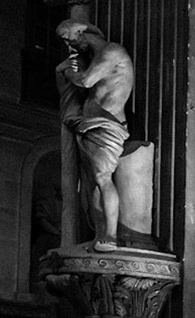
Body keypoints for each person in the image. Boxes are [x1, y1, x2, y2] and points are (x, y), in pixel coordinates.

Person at [56, 20, 153, 252]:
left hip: (107, 124)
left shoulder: (112, 51)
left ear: (82, 33)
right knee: (92, 184)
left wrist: (69, 71)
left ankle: (110, 234)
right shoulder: (96, 55)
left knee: (102, 176)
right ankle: (100, 233)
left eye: (70, 40)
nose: (71, 46)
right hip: (89, 124)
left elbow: (87, 80)